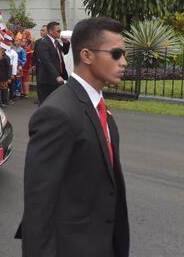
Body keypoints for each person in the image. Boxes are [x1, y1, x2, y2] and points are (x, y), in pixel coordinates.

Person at [16, 17, 130, 257]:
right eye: (116, 54)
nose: (124, 62)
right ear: (87, 56)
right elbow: (39, 202)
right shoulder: (57, 112)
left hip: (104, 241)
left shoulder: (97, 105)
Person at [35, 21, 70, 105]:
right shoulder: (44, 42)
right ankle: (41, 118)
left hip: (57, 79)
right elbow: (47, 61)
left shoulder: (55, 42)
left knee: (56, 103)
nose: (60, 33)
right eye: (58, 31)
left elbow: (64, 52)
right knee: (45, 103)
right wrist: (57, 76)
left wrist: (66, 43)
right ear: (50, 31)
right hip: (47, 80)